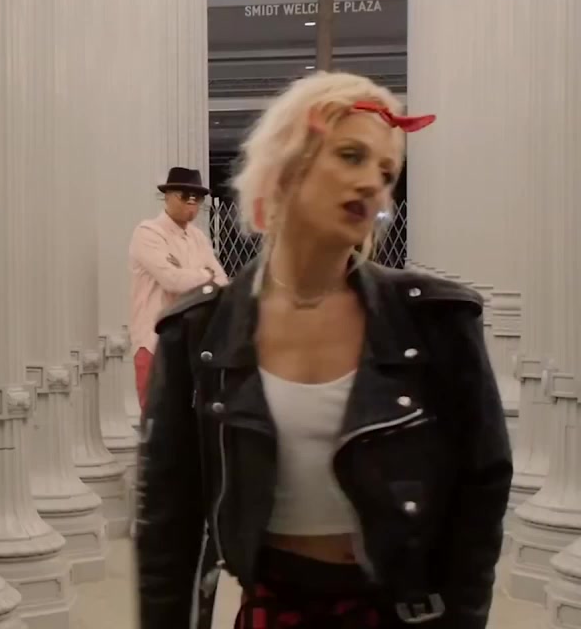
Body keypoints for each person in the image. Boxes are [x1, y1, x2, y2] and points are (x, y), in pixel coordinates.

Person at [135, 72, 511, 629]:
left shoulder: (436, 319)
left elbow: (480, 499)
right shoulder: (200, 329)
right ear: (288, 164)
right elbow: (168, 520)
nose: (372, 183)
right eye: (351, 155)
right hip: (272, 610)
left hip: (396, 614)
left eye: (386, 172)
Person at [128, 167, 227, 413]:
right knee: (157, 417)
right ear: (168, 196)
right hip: (155, 341)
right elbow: (172, 280)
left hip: (193, 343)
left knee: (190, 418)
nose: (192, 203)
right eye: (185, 195)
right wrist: (205, 275)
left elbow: (222, 281)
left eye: (198, 197)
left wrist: (192, 275)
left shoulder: (198, 237)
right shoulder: (148, 233)